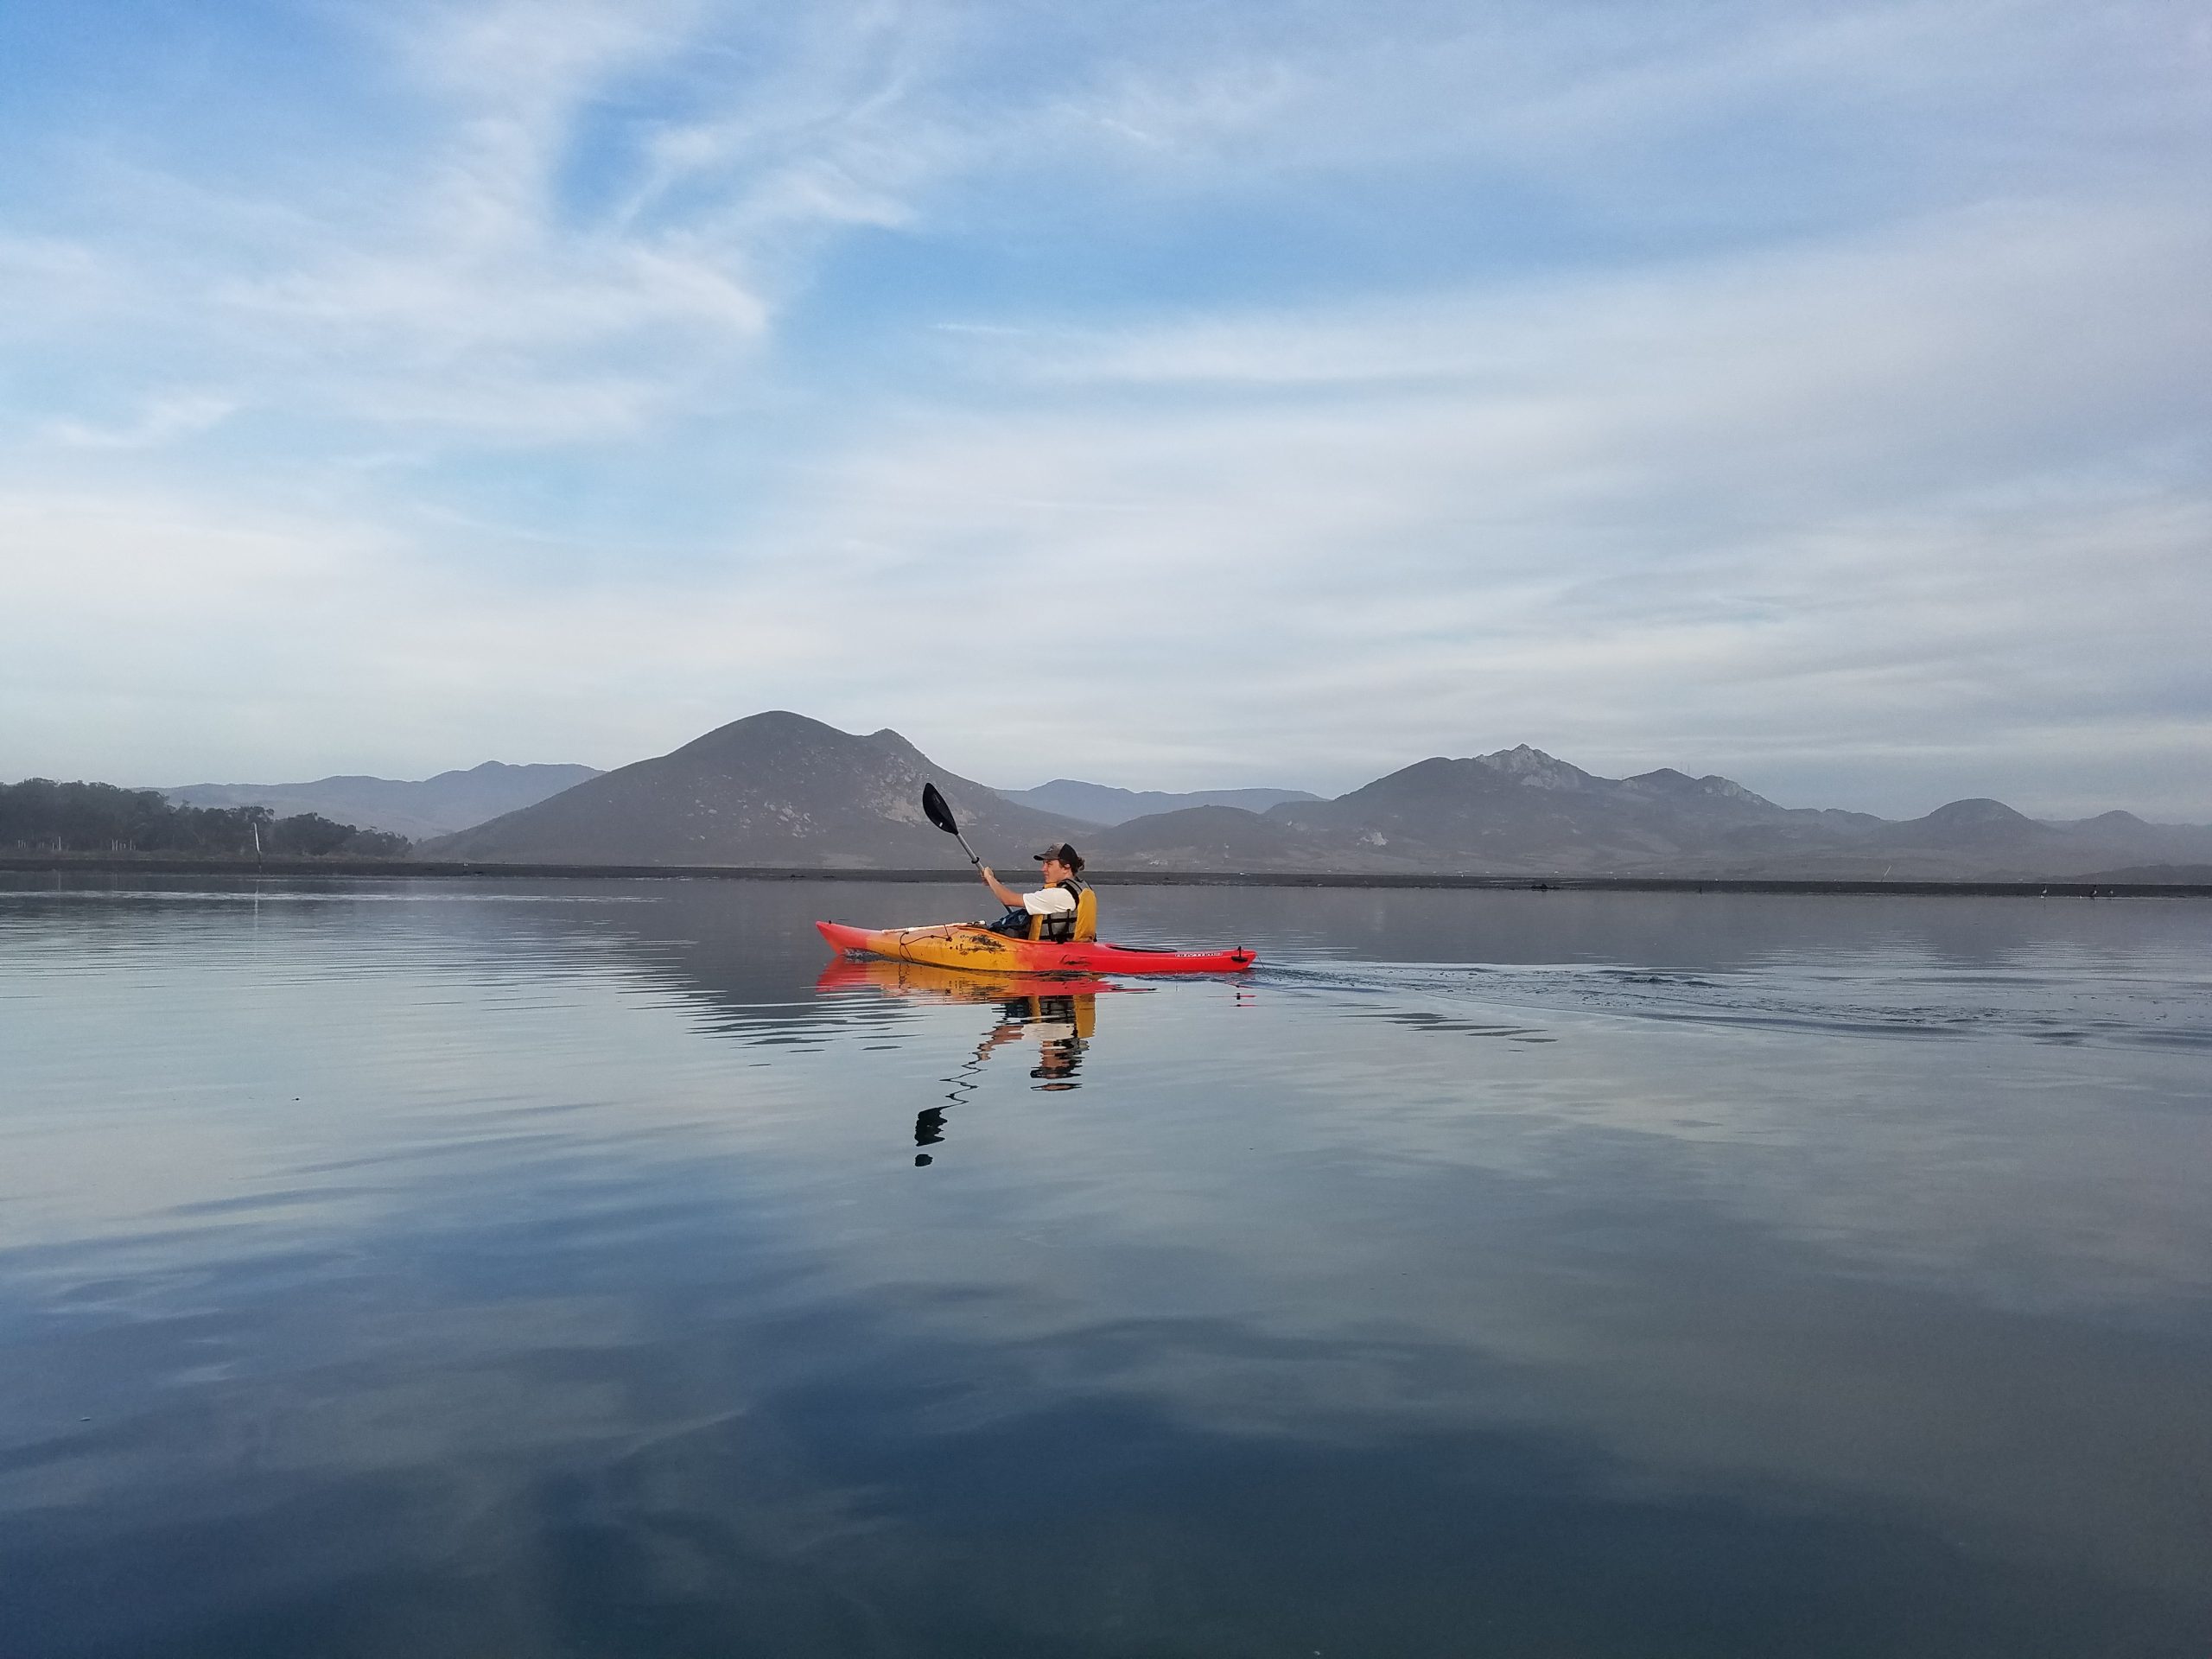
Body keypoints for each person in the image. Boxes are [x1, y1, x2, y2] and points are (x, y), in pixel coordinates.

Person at [979, 843, 1086, 941]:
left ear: (1066, 867)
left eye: (1049, 864)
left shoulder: (1058, 895)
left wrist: (989, 877)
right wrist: (992, 883)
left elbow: (1008, 899)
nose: (1043, 869)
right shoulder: (1080, 887)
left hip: (1049, 955)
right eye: (1044, 864)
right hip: (1070, 949)